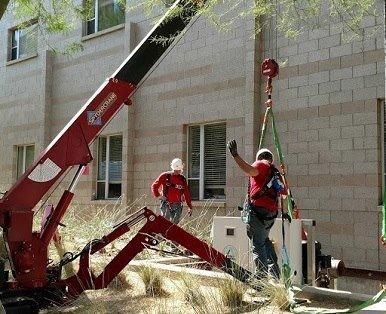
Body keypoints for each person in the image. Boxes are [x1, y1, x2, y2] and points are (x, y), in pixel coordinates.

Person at [227, 139, 287, 279]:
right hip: (270, 215)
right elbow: (284, 194)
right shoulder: (275, 172)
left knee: (257, 245)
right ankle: (275, 274)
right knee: (264, 241)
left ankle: (261, 280)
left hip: (258, 212)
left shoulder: (261, 164)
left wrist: (235, 155)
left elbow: (250, 170)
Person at [151, 158, 193, 224]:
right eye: (175, 170)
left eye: (179, 170)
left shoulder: (182, 179)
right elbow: (154, 186)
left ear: (181, 169)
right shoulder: (165, 176)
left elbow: (186, 193)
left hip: (178, 205)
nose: (177, 172)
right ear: (173, 168)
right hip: (166, 204)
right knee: (165, 222)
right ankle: (162, 233)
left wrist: (190, 206)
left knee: (174, 224)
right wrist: (159, 196)